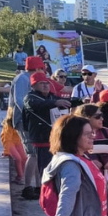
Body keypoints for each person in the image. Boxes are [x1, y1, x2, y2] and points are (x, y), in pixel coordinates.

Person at [22, 71, 73, 200]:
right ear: (34, 86)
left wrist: (80, 102)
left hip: (52, 137)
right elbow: (36, 105)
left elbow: (64, 102)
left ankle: (45, 190)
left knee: (51, 165)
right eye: (41, 84)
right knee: (44, 166)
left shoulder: (51, 97)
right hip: (39, 138)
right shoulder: (30, 97)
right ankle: (45, 193)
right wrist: (55, 103)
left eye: (46, 83)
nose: (45, 86)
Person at [1, 106, 29, 185]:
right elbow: (7, 139)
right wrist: (7, 151)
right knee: (18, 159)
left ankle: (21, 175)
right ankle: (20, 177)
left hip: (18, 142)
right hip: (8, 141)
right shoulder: (8, 124)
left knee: (24, 158)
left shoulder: (21, 121)